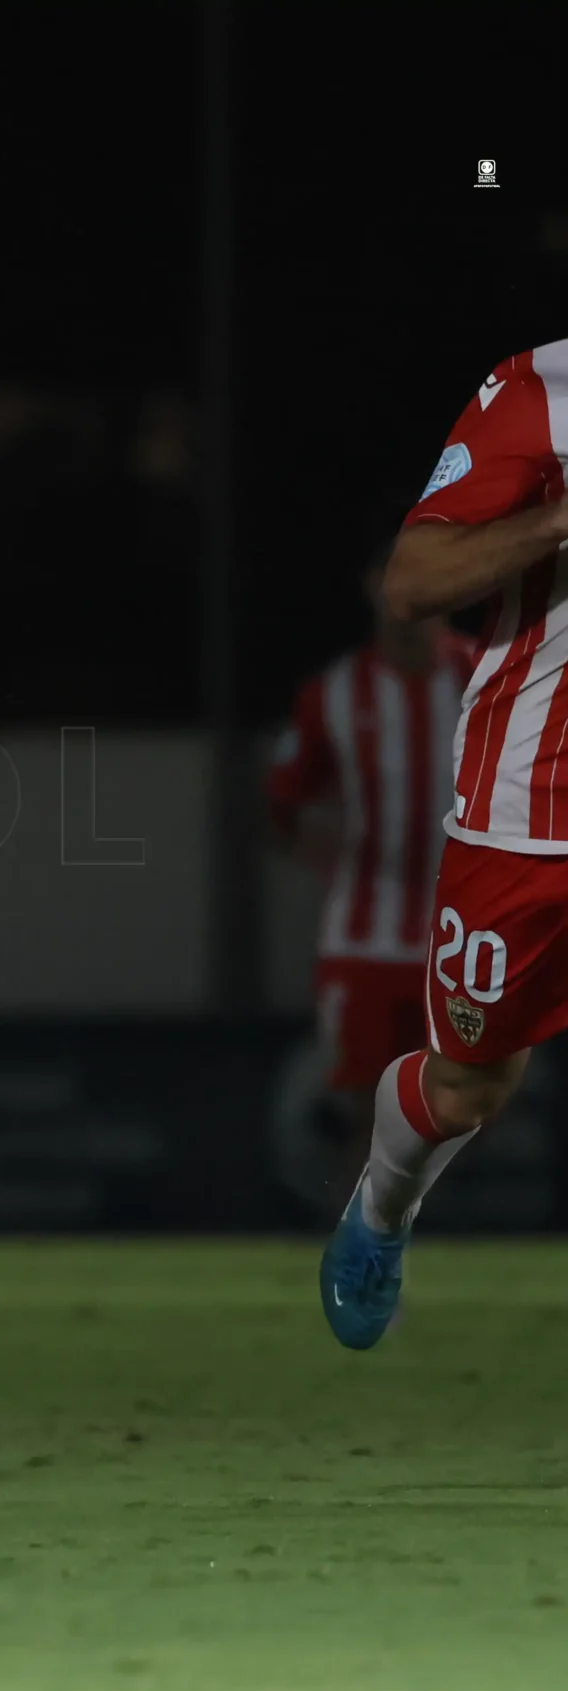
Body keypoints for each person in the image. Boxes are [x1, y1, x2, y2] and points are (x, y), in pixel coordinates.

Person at [321, 342, 568, 1350]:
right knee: (468, 1086)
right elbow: (414, 581)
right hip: (531, 806)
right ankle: (383, 1204)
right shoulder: (540, 391)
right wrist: (558, 517)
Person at [265, 550, 470, 1185]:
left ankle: (395, 1224)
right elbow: (283, 800)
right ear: (372, 588)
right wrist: (319, 854)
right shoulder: (336, 693)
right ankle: (368, 1245)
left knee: (450, 1116)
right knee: (371, 1112)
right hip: (364, 942)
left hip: (461, 942)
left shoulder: (487, 680)